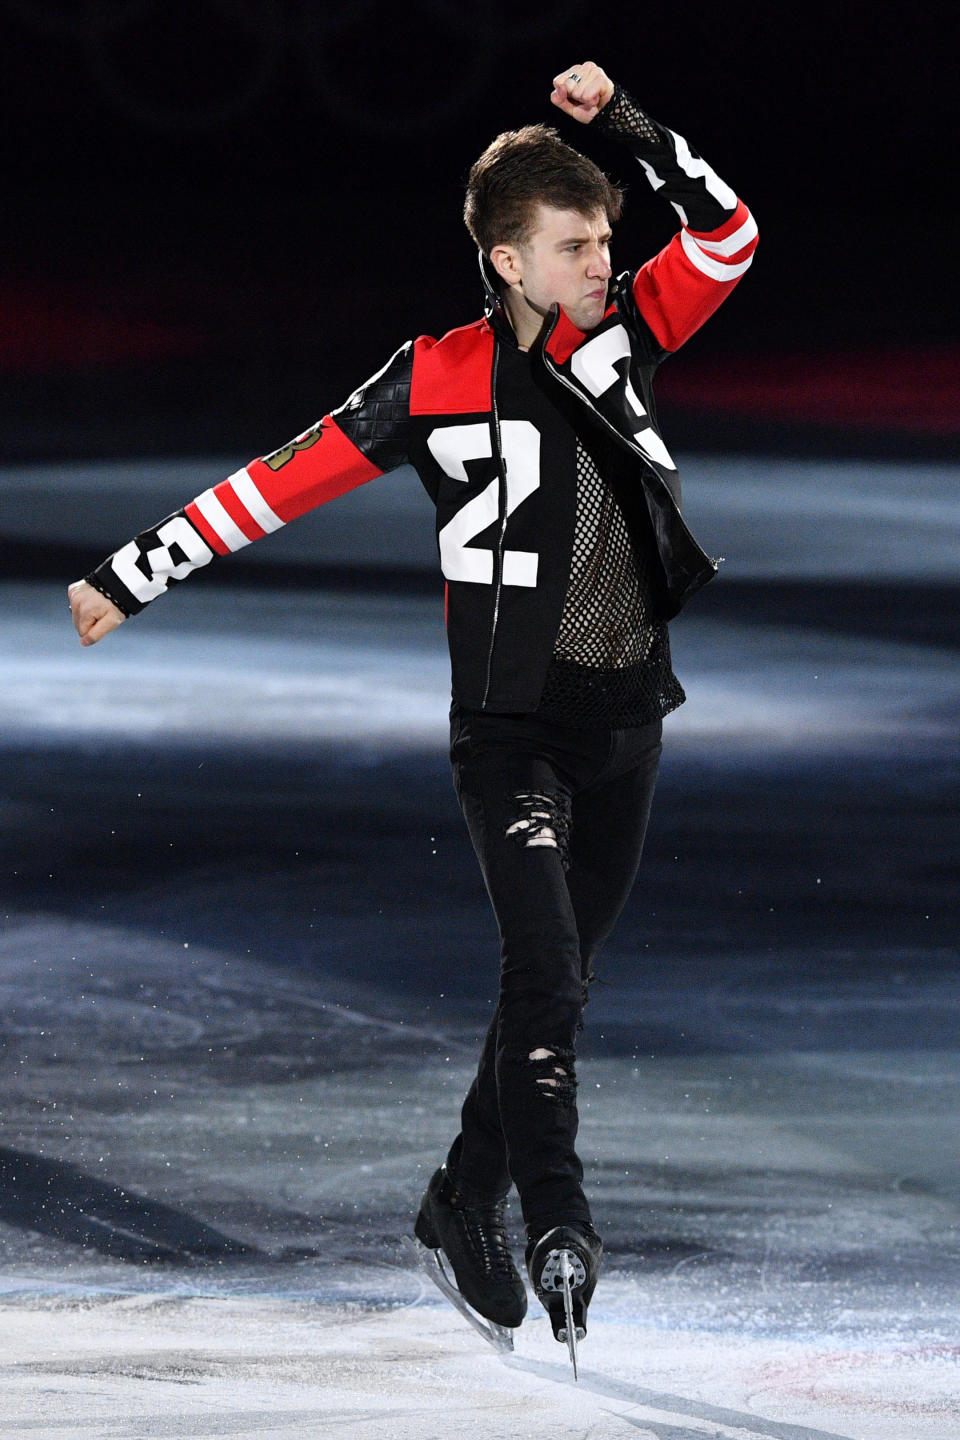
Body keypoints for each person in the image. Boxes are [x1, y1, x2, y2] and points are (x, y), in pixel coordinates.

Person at [69, 61, 757, 1352]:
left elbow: (730, 233)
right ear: (505, 258)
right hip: (510, 734)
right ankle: (561, 1221)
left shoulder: (631, 331)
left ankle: (461, 1198)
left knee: (563, 982)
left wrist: (625, 129)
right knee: (543, 967)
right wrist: (129, 574)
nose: (605, 261)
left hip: (629, 723)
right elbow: (281, 479)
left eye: (607, 239)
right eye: (575, 244)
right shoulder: (430, 378)